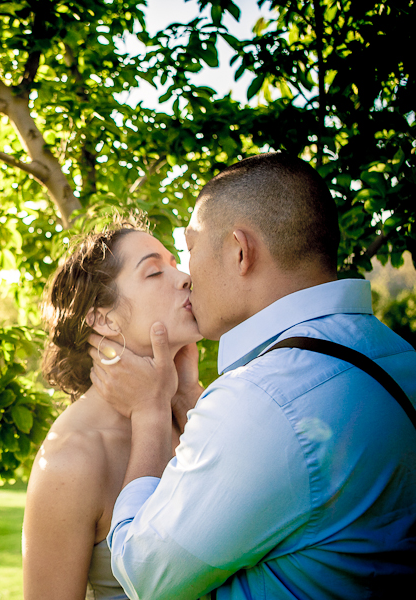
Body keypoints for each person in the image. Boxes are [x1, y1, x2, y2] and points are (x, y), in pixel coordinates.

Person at [91, 153, 416, 599]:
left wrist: (149, 411)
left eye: (189, 249)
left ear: (240, 252)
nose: (186, 275)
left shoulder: (264, 397)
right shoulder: (398, 355)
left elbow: (146, 574)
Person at [22, 219, 204, 600]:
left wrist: (188, 396)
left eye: (175, 263)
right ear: (103, 318)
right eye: (154, 271)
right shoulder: (70, 458)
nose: (184, 277)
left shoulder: (193, 413)